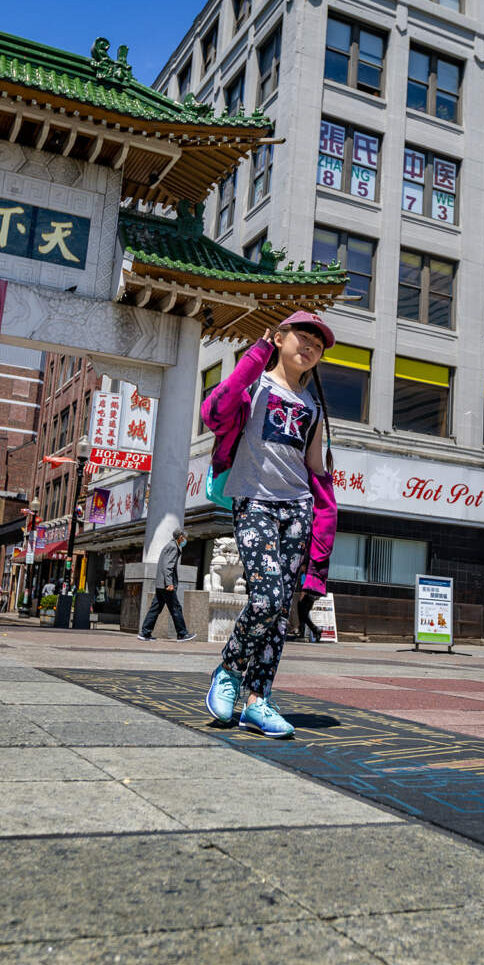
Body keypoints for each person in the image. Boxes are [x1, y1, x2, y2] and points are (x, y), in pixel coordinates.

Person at [199, 312, 339, 739]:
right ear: (278, 338)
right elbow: (214, 410)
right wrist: (254, 356)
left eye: (318, 342)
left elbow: (316, 472)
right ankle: (228, 670)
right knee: (266, 598)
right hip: (254, 503)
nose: (310, 345)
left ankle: (258, 702)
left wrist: (322, 542)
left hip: (296, 509)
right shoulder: (255, 386)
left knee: (280, 613)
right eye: (303, 335)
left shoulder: (313, 407)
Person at [137, 526, 193, 641]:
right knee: (176, 608)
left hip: (160, 584)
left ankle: (145, 633)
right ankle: (182, 634)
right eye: (185, 538)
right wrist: (169, 583)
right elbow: (168, 567)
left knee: (155, 609)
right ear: (181, 537)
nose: (185, 540)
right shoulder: (173, 547)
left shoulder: (169, 546)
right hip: (166, 585)